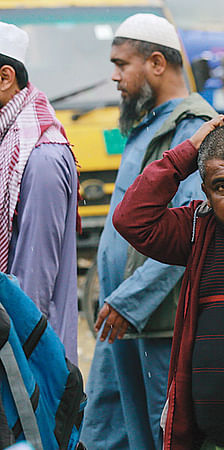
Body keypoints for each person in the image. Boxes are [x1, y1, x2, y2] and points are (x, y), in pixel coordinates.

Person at [112, 119, 224, 449]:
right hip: (213, 441)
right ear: (206, 194)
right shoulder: (197, 230)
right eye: (222, 186)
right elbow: (131, 219)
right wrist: (188, 151)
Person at [81, 13, 216, 450]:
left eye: (122, 64)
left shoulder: (192, 128)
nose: (115, 77)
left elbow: (189, 230)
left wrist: (130, 300)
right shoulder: (149, 124)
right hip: (125, 318)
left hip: (157, 322)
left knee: (163, 433)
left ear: (157, 63)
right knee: (113, 429)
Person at [0, 23, 78, 363]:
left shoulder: (43, 156)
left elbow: (33, 288)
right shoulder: (9, 143)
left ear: (5, 78)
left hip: (32, 360)